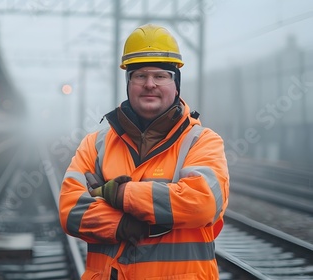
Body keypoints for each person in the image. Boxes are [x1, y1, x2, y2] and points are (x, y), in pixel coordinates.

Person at [59, 23, 230, 279]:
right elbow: (70, 210)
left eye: (161, 75)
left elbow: (202, 204)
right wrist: (121, 224)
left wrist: (120, 194)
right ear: (129, 83)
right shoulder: (96, 144)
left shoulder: (201, 141)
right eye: (140, 76)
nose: (150, 84)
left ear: (176, 84)